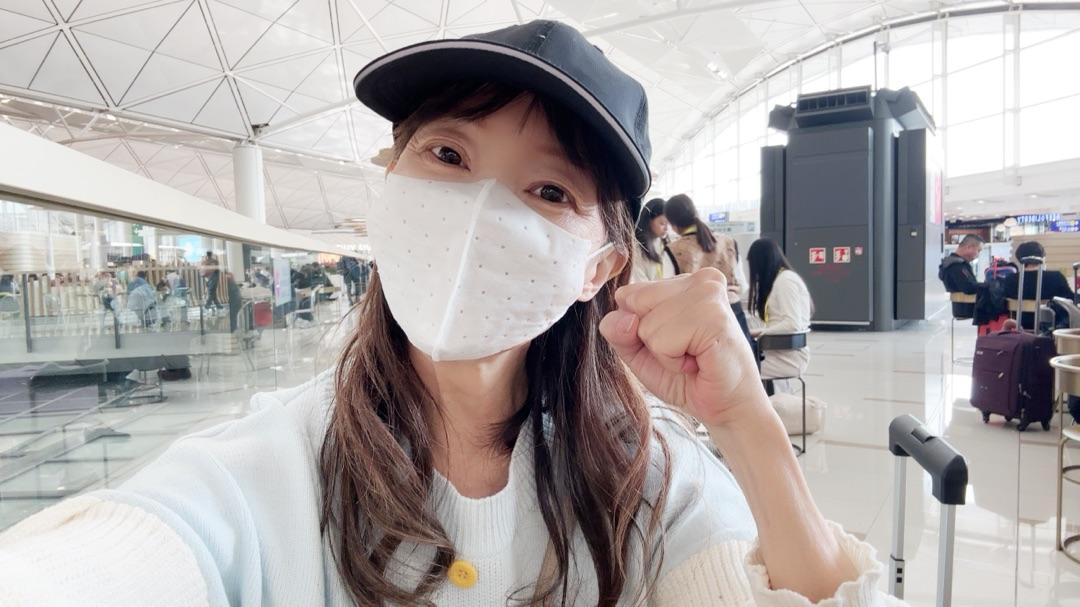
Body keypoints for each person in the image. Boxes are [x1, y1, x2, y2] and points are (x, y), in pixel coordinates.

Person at [0, 21, 895, 607]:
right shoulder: (260, 471)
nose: (478, 213)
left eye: (548, 189)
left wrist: (746, 425)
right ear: (389, 183)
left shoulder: (648, 481)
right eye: (448, 154)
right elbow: (111, 559)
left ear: (600, 268)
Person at [664, 193, 753, 349]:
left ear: (673, 225)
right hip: (734, 315)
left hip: (698, 320)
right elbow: (742, 285)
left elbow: (669, 292)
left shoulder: (673, 250)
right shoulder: (728, 242)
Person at [746, 238, 813, 392]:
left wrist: (757, 332)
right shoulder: (781, 280)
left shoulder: (785, 281)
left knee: (736, 368)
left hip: (789, 357)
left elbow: (792, 324)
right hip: (780, 351)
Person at [1001, 240, 1075, 331]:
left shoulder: (1010, 279)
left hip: (1019, 326)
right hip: (1050, 327)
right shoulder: (1056, 277)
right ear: (1042, 257)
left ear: (1020, 260)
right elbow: (1071, 300)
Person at [630, 197, 678, 282]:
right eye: (662, 223)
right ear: (648, 221)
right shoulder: (637, 249)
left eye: (669, 223)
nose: (667, 228)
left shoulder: (666, 243)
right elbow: (640, 282)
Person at [938, 234, 983, 319]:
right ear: (969, 247)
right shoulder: (956, 266)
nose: (978, 255)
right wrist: (990, 286)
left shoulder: (951, 263)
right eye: (978, 250)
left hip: (964, 308)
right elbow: (968, 288)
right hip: (968, 310)